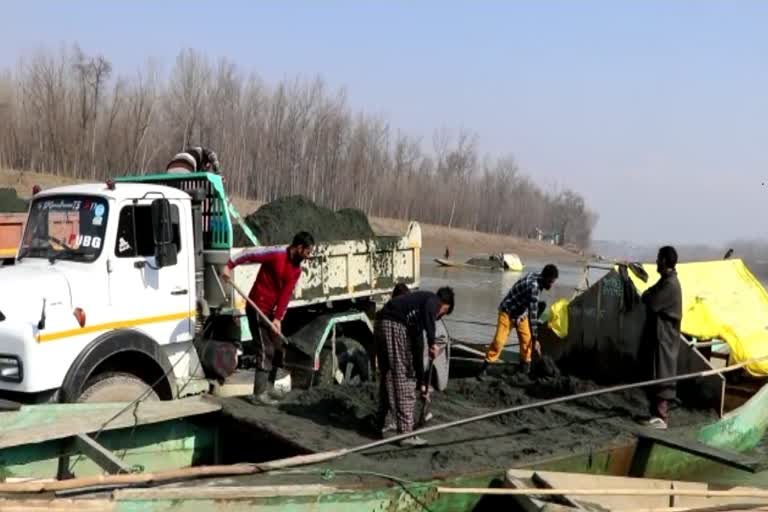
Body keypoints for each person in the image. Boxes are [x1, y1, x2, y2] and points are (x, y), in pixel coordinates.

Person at [221, 231, 315, 405]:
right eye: (307, 252)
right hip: (256, 306)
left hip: (270, 311)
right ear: (299, 247)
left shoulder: (296, 269)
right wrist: (229, 265)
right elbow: (249, 254)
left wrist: (278, 319)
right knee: (266, 349)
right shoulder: (277, 254)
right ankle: (259, 394)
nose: (309, 256)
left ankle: (269, 387)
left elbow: (286, 295)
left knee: (278, 348)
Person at [375, 287, 455, 446]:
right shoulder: (432, 300)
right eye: (443, 313)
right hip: (393, 324)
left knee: (389, 376)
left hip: (380, 324)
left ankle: (384, 422)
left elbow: (417, 352)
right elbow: (429, 314)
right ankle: (405, 434)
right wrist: (433, 343)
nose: (439, 317)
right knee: (404, 378)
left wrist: (422, 383)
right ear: (444, 306)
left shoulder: (414, 314)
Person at [477, 264, 559, 380]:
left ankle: (524, 370)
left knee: (527, 342)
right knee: (499, 342)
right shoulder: (534, 287)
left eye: (553, 282)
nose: (551, 285)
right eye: (550, 282)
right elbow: (533, 316)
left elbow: (531, 309)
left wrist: (532, 340)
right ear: (545, 278)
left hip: (521, 313)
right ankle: (483, 369)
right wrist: (536, 339)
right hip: (508, 312)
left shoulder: (537, 277)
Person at [640, 246, 682, 429]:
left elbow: (651, 301)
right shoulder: (665, 281)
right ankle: (655, 415)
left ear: (664, 260)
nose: (656, 261)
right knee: (656, 373)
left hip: (665, 338)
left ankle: (661, 417)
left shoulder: (670, 285)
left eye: (658, 258)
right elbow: (646, 296)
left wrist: (649, 296)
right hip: (659, 337)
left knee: (662, 375)